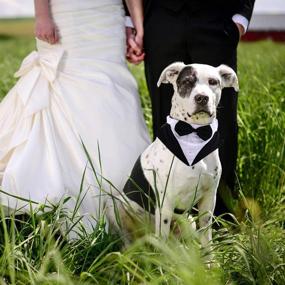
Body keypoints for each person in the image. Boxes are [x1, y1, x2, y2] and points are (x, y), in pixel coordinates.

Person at [0, 0, 150, 228]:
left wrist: (135, 23)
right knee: (65, 91)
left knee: (111, 97)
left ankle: (129, 207)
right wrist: (42, 16)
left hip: (108, 19)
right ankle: (58, 198)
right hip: (68, 15)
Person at [125, 0, 255, 215]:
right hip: (160, 22)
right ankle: (174, 221)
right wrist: (131, 21)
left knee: (224, 126)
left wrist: (241, 18)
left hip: (216, 22)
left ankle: (222, 217)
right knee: (164, 120)